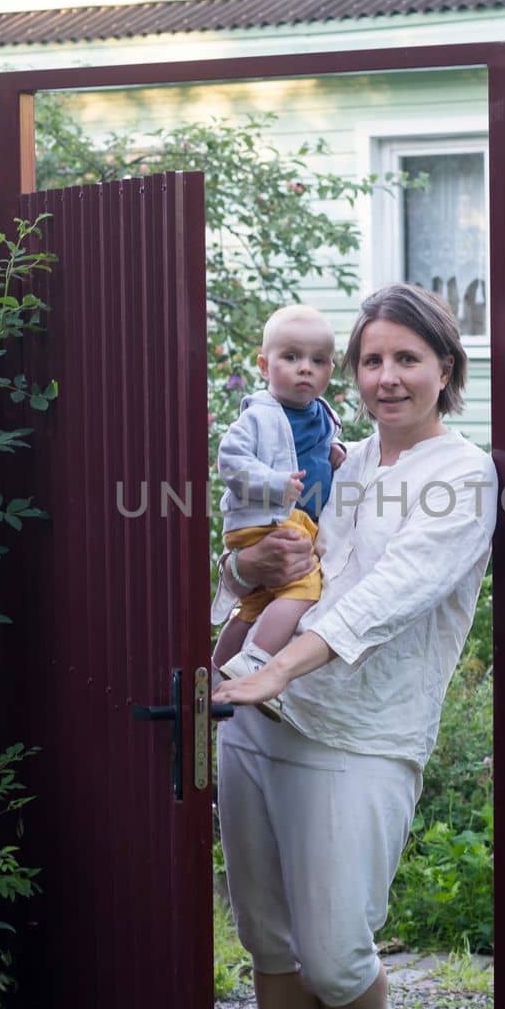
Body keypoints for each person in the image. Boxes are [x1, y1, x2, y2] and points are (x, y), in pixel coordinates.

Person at [210, 283, 499, 1009]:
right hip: (256, 723)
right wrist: (247, 568)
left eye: (408, 357)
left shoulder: (461, 475)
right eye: (372, 360)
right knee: (268, 943)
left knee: (337, 956)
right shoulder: (338, 459)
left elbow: (388, 598)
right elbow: (244, 578)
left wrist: (275, 666)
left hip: (361, 735)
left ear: (445, 365)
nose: (388, 376)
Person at [211, 305, 347, 719]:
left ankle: (215, 671)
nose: (305, 369)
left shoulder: (321, 414)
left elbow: (313, 449)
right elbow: (230, 461)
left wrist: (334, 453)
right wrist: (274, 484)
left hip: (292, 522)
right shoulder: (259, 415)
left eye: (318, 361)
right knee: (304, 588)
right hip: (264, 520)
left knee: (255, 605)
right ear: (264, 364)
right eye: (291, 358)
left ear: (331, 369)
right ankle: (257, 663)